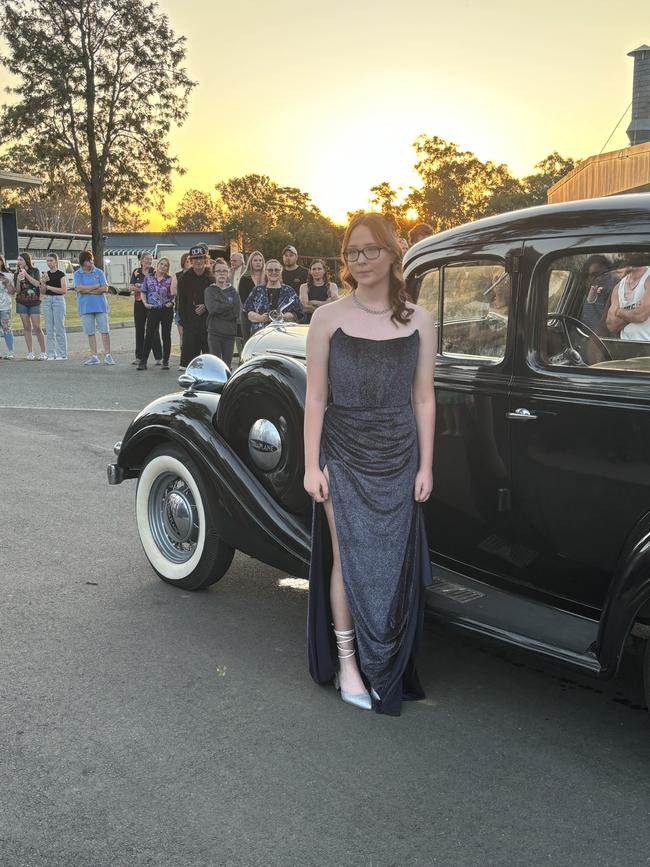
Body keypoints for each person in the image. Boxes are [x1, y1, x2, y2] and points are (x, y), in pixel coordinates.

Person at [304, 212, 436, 716]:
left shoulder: (420, 321)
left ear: (392, 253)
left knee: (391, 563)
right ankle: (348, 665)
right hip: (343, 453)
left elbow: (424, 399)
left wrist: (426, 466)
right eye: (351, 253)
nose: (359, 261)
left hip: (399, 456)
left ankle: (387, 661)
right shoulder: (328, 318)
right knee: (347, 558)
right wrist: (311, 466)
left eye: (369, 251)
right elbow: (315, 398)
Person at [73, 251, 115, 365]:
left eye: (91, 259)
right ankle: (94, 356)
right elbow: (79, 288)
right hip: (85, 307)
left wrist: (88, 290)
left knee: (104, 331)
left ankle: (108, 355)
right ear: (83, 262)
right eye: (88, 260)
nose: (91, 262)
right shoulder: (78, 274)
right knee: (90, 332)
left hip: (100, 306)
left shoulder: (99, 272)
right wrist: (96, 286)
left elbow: (105, 288)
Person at [243, 259, 303, 334]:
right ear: (265, 271)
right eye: (270, 270)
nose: (273, 272)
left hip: (283, 334)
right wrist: (260, 318)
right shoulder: (257, 290)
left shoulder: (289, 291)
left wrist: (283, 316)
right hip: (260, 334)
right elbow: (247, 311)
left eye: (277, 270)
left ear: (281, 271)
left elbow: (299, 312)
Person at [177, 244, 212, 369]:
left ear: (205, 259)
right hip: (190, 323)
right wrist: (183, 322)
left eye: (201, 258)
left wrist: (206, 306)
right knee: (189, 366)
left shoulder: (211, 277)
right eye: (195, 258)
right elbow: (180, 302)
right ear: (191, 261)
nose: (198, 261)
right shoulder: (184, 278)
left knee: (210, 363)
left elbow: (216, 299)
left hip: (208, 323)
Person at [137, 257, 175, 370]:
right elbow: (143, 292)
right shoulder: (148, 278)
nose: (163, 266)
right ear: (157, 265)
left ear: (168, 268)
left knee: (166, 335)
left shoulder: (170, 279)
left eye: (166, 265)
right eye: (161, 264)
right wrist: (144, 302)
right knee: (149, 334)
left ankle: (166, 360)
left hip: (166, 309)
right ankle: (143, 361)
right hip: (153, 309)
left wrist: (172, 302)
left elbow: (175, 293)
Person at [205, 258, 241, 367]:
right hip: (214, 332)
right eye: (219, 271)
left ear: (228, 273)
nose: (222, 273)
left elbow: (235, 312)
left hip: (229, 333)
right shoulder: (209, 291)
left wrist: (221, 305)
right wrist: (228, 305)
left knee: (227, 366)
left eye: (224, 271)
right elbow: (212, 309)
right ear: (214, 274)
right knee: (215, 365)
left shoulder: (233, 291)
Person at [606, 253, 650, 340]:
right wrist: (633, 311)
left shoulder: (648, 279)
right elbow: (611, 325)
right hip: (625, 347)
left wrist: (619, 311)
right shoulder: (619, 286)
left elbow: (641, 315)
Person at [130, 251, 162, 366]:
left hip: (151, 304)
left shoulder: (154, 272)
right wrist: (143, 288)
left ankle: (159, 357)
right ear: (141, 260)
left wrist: (140, 286)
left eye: (151, 259)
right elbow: (131, 287)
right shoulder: (136, 272)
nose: (149, 261)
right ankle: (139, 357)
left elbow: (156, 288)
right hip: (139, 303)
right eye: (147, 259)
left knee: (153, 329)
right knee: (139, 329)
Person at [14, 253, 46, 360]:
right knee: (27, 327)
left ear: (27, 260)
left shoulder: (35, 271)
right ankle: (30, 352)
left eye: (21, 260)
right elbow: (17, 291)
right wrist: (18, 279)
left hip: (34, 302)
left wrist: (26, 274)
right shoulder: (16, 273)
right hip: (21, 302)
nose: (19, 262)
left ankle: (43, 352)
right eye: (18, 260)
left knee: (37, 327)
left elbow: (37, 284)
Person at [41, 252, 68, 360]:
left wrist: (49, 287)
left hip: (58, 300)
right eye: (47, 260)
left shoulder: (61, 274)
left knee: (59, 327)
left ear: (56, 261)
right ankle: (51, 353)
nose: (49, 263)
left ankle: (62, 353)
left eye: (51, 260)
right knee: (49, 327)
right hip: (47, 300)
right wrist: (43, 282)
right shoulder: (45, 274)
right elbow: (42, 291)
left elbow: (63, 290)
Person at [580, 255, 615, 335]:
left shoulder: (616, 296)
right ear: (587, 278)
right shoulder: (583, 296)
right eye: (594, 275)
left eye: (604, 275)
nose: (599, 279)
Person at [299, 259, 339, 324]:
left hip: (327, 322)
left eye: (319, 269)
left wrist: (314, 302)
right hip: (309, 322)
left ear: (324, 271)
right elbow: (304, 307)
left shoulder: (332, 286)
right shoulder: (304, 287)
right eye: (314, 269)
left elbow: (336, 304)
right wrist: (327, 303)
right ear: (310, 271)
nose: (316, 271)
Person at [238, 250, 265, 342]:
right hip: (247, 315)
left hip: (265, 315)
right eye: (255, 260)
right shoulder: (244, 278)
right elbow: (244, 299)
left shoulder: (267, 278)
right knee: (248, 341)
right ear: (250, 262)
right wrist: (254, 314)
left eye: (260, 260)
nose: (258, 262)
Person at [174, 252, 191, 348]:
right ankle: (183, 354)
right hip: (180, 308)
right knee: (183, 335)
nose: (189, 263)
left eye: (190, 261)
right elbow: (173, 291)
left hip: (192, 310)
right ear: (183, 262)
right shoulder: (178, 275)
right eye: (187, 261)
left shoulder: (196, 276)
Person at [0, 255, 15, 359]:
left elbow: (12, 292)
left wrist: (7, 283)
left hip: (4, 307)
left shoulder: (8, 275)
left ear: (2, 262)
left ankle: (10, 352)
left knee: (7, 329)